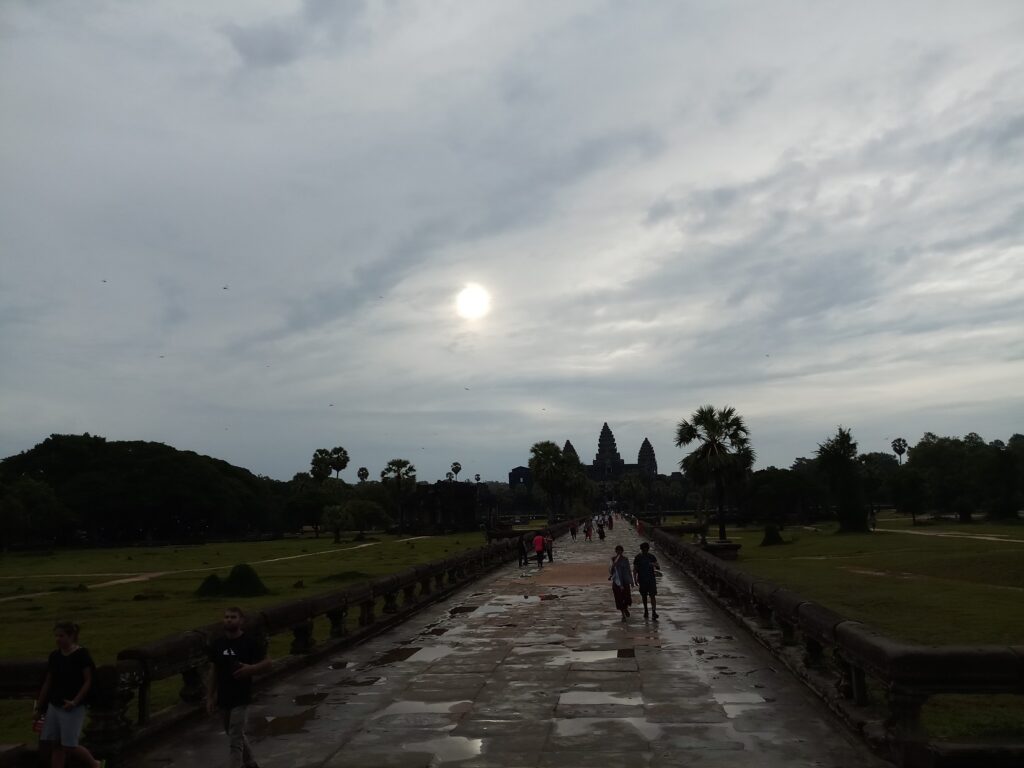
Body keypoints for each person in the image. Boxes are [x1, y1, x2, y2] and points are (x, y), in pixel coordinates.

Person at [207, 607, 272, 768]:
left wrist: (251, 669)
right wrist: (210, 696)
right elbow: (213, 670)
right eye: (226, 617)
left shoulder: (249, 642)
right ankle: (250, 762)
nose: (229, 620)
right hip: (223, 696)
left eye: (233, 617)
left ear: (241, 621)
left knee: (234, 739)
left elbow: (268, 662)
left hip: (241, 696)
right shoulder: (218, 644)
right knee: (233, 733)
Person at [33, 621, 103, 768]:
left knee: (69, 746)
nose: (58, 639)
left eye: (62, 636)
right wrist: (40, 707)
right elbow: (48, 681)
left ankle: (95, 764)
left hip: (72, 707)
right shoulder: (55, 656)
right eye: (56, 636)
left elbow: (88, 680)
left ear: (72, 636)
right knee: (56, 744)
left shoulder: (81, 655)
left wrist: (75, 701)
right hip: (55, 704)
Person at [633, 542, 660, 620]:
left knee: (652, 596)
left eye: (646, 549)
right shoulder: (638, 557)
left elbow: (658, 567)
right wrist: (635, 579)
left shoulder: (652, 557)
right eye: (643, 549)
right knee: (644, 596)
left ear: (648, 549)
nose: (645, 550)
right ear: (641, 549)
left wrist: (654, 565)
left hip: (651, 579)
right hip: (642, 579)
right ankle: (646, 610)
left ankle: (654, 611)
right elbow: (635, 569)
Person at [608, 545, 634, 621]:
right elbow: (610, 571)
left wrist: (631, 581)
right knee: (619, 598)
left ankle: (625, 608)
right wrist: (613, 565)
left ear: (622, 551)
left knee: (627, 598)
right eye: (617, 550)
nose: (619, 552)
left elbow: (629, 570)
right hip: (617, 582)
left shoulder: (625, 559)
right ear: (616, 551)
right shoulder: (613, 559)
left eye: (620, 551)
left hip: (625, 581)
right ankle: (623, 615)